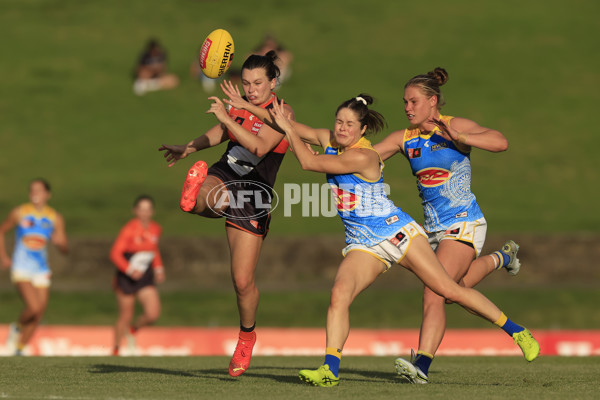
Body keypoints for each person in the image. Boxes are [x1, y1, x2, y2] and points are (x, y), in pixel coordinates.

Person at [228, 92, 539, 387]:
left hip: (396, 232)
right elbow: (287, 125)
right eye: (338, 122)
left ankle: (517, 331)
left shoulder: (364, 156)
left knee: (447, 290)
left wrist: (286, 129)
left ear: (363, 129)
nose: (342, 128)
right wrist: (246, 106)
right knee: (340, 293)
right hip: (362, 242)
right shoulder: (330, 140)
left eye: (350, 124)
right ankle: (330, 369)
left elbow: (309, 162)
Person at [373, 67, 524, 383]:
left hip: (465, 223)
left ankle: (422, 367)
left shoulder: (455, 126)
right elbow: (368, 159)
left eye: (413, 102)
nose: (407, 108)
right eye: (404, 102)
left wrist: (462, 138)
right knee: (457, 289)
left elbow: (501, 142)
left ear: (432, 102)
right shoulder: (405, 139)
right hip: (434, 233)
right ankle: (503, 258)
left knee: (435, 292)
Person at [158, 50, 294, 377]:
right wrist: (188, 147)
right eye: (246, 83)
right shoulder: (240, 105)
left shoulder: (282, 111)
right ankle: (195, 199)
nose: (251, 89)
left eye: (258, 83)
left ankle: (247, 337)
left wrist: (230, 116)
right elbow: (223, 134)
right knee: (210, 194)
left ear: (273, 82)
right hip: (226, 172)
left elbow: (260, 147)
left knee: (242, 281)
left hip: (254, 193)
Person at [0, 178, 68, 356]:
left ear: (47, 194)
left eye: (39, 190)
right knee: (34, 307)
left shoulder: (54, 217)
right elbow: (1, 230)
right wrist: (4, 257)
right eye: (32, 190)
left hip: (41, 269)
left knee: (39, 313)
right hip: (21, 267)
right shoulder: (20, 212)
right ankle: (16, 328)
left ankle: (19, 349)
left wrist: (59, 243)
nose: (35, 193)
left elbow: (64, 247)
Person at [110, 195, 165, 356]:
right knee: (125, 315)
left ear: (152, 212)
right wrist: (129, 270)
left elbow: (153, 249)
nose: (144, 213)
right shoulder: (129, 229)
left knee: (153, 313)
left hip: (145, 275)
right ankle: (116, 349)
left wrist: (159, 268)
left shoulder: (156, 228)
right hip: (126, 277)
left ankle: (134, 330)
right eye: (141, 209)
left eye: (148, 209)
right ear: (135, 211)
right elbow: (115, 254)